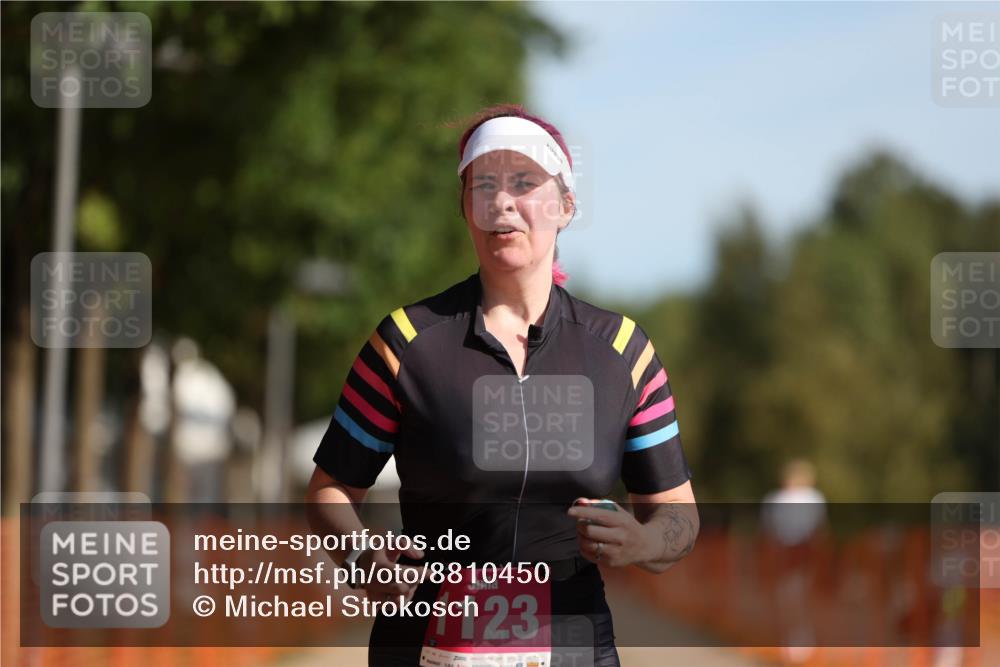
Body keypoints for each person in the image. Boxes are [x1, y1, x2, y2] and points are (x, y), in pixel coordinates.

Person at [305, 104, 699, 666]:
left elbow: (680, 516)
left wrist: (644, 542)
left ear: (566, 206)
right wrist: (362, 558)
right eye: (483, 184)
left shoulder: (624, 352)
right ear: (465, 208)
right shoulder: (405, 341)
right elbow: (330, 492)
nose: (502, 201)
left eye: (524, 182)